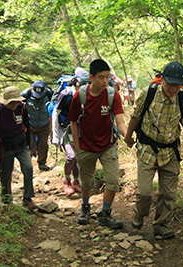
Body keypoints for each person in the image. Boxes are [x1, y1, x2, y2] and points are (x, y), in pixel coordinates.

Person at [124, 61, 183, 239]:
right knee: (144, 192)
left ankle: (161, 225)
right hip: (147, 149)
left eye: (177, 85)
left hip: (170, 152)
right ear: (162, 80)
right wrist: (128, 137)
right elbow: (136, 116)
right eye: (170, 84)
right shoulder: (148, 93)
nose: (173, 89)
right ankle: (139, 215)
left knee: (168, 194)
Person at [67, 59, 127, 229]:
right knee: (86, 182)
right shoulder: (80, 95)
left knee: (113, 181)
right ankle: (85, 208)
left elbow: (120, 122)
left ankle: (105, 214)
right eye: (101, 77)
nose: (105, 81)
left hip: (108, 144)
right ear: (91, 77)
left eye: (107, 77)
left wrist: (128, 136)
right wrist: (77, 147)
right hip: (85, 146)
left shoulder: (112, 95)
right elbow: (73, 122)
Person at [0, 86, 38, 210]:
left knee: (28, 168)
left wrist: (30, 146)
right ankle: (7, 202)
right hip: (3, 147)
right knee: (5, 175)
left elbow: (27, 125)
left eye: (16, 101)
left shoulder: (22, 108)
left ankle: (27, 198)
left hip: (21, 144)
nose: (14, 104)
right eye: (12, 102)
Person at [51, 78, 81, 196]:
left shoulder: (84, 93)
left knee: (78, 156)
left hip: (77, 128)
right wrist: (55, 136)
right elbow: (55, 112)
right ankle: (66, 180)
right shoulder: (66, 94)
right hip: (63, 128)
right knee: (71, 155)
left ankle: (76, 180)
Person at [22, 80, 53, 171]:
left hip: (44, 123)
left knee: (43, 145)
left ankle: (42, 163)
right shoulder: (26, 94)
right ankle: (28, 165)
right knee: (30, 145)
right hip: (30, 124)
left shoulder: (49, 94)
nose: (38, 97)